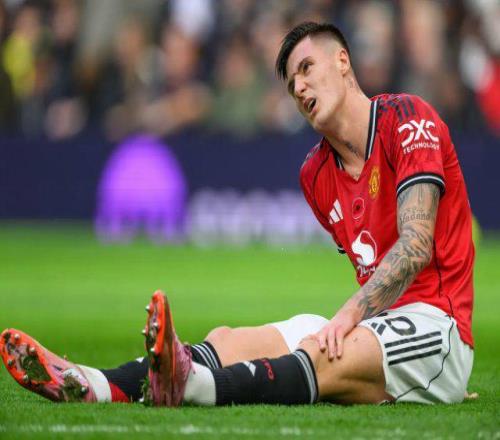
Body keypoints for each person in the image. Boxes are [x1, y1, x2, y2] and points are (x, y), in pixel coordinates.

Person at [1, 21, 474, 406]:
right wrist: (350, 323)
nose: (300, 87)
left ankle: (192, 387)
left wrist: (347, 317)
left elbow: (415, 246)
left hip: (438, 326)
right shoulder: (314, 174)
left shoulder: (408, 119)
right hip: (374, 327)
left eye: (307, 68)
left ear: (343, 61)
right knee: (228, 340)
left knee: (324, 353)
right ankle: (90, 383)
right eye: (292, 84)